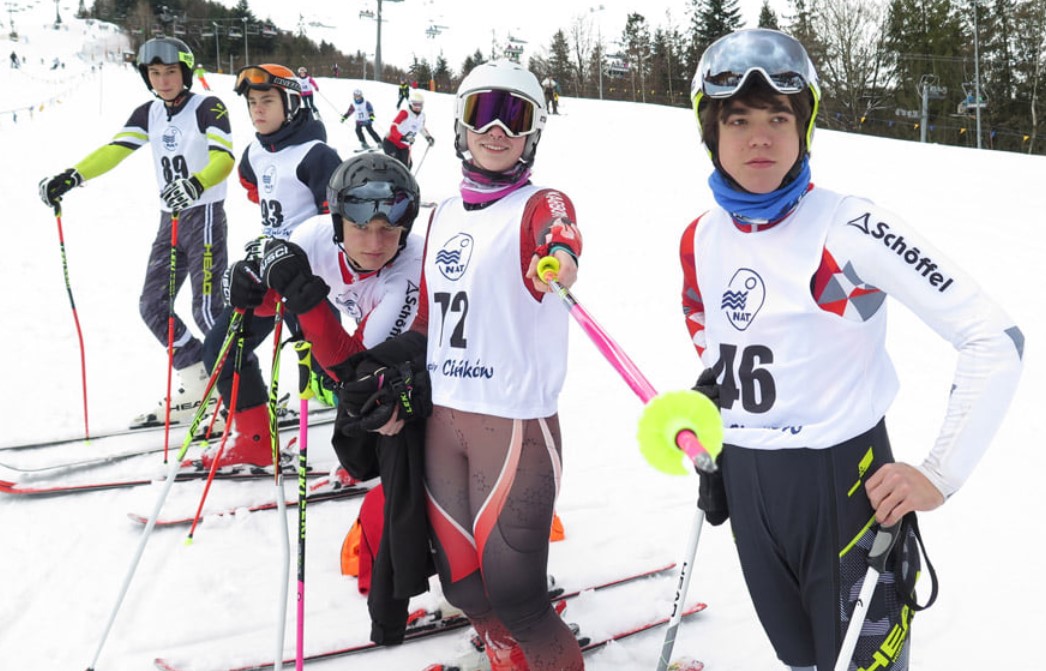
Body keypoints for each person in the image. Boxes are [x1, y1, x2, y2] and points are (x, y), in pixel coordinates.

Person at [657, 28, 1024, 671]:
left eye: (779, 117)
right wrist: (719, 401)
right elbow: (708, 322)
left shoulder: (848, 225)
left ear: (805, 128)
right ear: (710, 133)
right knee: (800, 659)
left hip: (843, 484)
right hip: (747, 483)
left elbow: (995, 337)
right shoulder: (701, 236)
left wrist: (939, 474)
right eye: (737, 120)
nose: (760, 137)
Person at [344, 60, 584, 670]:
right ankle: (507, 656)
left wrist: (556, 262)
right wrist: (378, 370)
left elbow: (560, 234)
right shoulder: (444, 213)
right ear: (461, 124)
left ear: (533, 132)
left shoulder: (540, 203)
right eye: (483, 111)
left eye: (515, 114)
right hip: (446, 422)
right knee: (463, 586)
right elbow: (426, 321)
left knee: (518, 593)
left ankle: (534, 648)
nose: (497, 128)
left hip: (514, 424)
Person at [226, 153, 431, 641]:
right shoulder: (316, 236)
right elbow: (275, 291)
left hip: (423, 376)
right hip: (366, 367)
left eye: (390, 229)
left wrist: (306, 300)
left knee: (404, 468)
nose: (377, 243)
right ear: (338, 220)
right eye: (362, 228)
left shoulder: (407, 272)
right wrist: (254, 287)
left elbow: (356, 371)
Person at [38, 36, 234, 429]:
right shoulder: (150, 113)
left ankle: (244, 393)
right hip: (170, 220)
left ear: (186, 72)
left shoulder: (207, 106)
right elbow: (115, 149)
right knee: (153, 306)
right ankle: (199, 378)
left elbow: (224, 157)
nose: (163, 81)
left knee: (208, 309)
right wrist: (72, 176)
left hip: (204, 214)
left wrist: (196, 184)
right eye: (155, 74)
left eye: (171, 72)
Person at [193, 63, 343, 467]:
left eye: (268, 101)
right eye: (252, 103)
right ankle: (256, 439)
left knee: (334, 369)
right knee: (222, 348)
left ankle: (368, 454)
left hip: (308, 277)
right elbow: (254, 187)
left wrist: (300, 254)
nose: (258, 111)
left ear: (291, 104)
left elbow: (338, 222)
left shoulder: (317, 155)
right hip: (265, 273)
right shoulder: (255, 150)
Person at [382, 89, 433, 169]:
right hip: (391, 142)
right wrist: (401, 137)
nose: (417, 107)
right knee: (395, 165)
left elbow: (421, 128)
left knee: (407, 166)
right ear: (410, 104)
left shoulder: (422, 116)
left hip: (404, 145)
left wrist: (428, 137)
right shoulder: (405, 113)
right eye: (415, 104)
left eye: (420, 105)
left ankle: (403, 181)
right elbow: (393, 127)